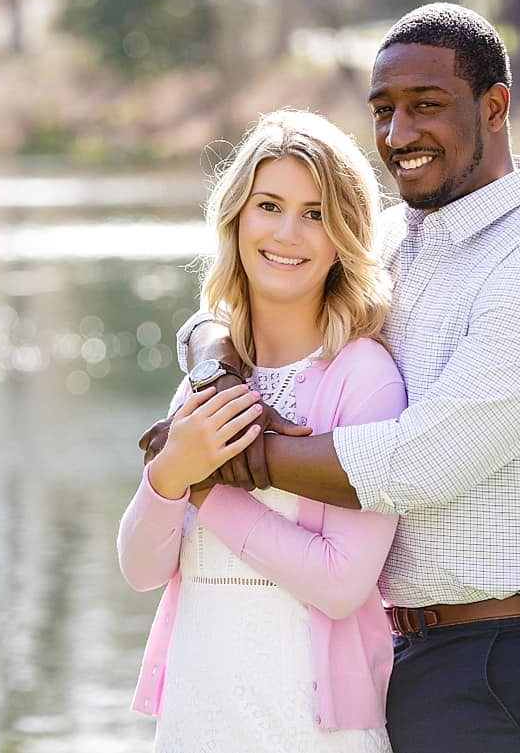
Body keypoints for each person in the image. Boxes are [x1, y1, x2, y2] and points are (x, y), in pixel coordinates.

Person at [145, 3, 520, 752]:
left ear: (495, 107)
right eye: (383, 110)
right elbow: (248, 297)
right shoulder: (398, 240)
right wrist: (215, 361)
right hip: (410, 653)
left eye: (426, 105)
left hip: (517, 659)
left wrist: (219, 459)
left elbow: (417, 464)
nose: (399, 134)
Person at [120, 109, 406, 751]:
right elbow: (141, 569)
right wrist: (168, 476)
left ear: (344, 235)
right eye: (269, 205)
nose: (286, 233)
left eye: (315, 214)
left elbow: (341, 584)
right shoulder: (209, 379)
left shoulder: (365, 378)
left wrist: (206, 488)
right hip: (197, 721)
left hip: (311, 728)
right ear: (236, 218)